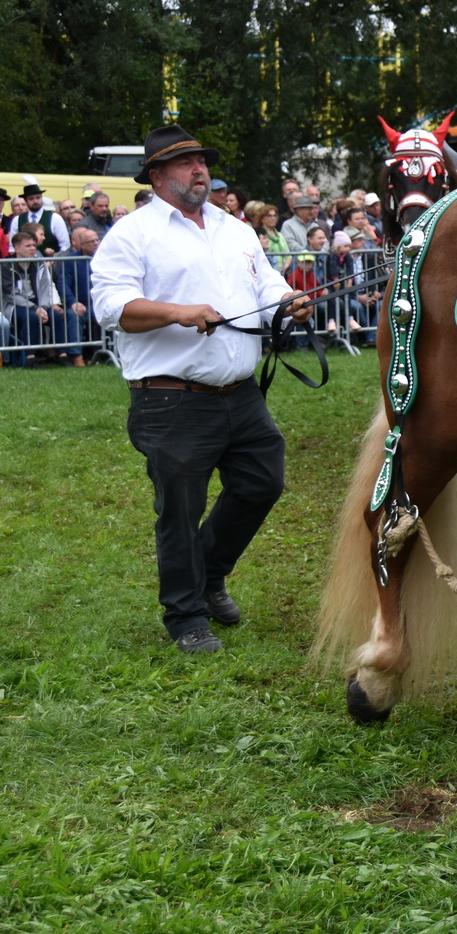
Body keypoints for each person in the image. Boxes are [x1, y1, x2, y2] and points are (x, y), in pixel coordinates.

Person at [89, 124, 311, 655]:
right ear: (157, 175)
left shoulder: (234, 229)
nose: (199, 170)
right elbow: (112, 307)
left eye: (202, 161)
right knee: (180, 512)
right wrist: (178, 312)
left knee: (262, 482)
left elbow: (264, 281)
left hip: (241, 394)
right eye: (185, 163)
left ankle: (209, 574)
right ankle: (186, 616)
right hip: (170, 399)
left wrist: (287, 301)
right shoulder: (132, 233)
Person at [4, 229, 63, 366]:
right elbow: (11, 294)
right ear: (17, 248)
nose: (32, 249)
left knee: (55, 315)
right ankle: (30, 357)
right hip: (14, 305)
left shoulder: (39, 263)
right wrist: (35, 308)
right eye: (28, 246)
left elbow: (45, 288)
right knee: (30, 316)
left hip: (38, 304)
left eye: (34, 245)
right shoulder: (6, 265)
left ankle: (62, 354)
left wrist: (43, 307)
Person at [55, 225, 101, 365]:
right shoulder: (69, 260)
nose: (95, 243)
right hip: (78, 303)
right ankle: (76, 355)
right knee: (73, 315)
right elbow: (63, 284)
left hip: (99, 303)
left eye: (97, 240)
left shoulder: (105, 258)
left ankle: (102, 354)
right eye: (91, 241)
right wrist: (72, 302)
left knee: (109, 312)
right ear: (82, 244)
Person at [8, 183, 71, 255]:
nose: (35, 201)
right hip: (25, 261)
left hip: (53, 260)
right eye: (31, 199)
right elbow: (12, 247)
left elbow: (65, 245)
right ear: (25, 200)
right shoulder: (17, 220)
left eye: (38, 198)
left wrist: (55, 259)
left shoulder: (55, 218)